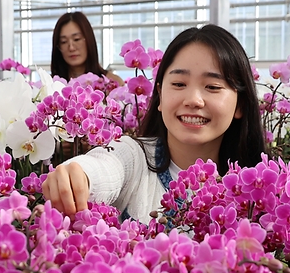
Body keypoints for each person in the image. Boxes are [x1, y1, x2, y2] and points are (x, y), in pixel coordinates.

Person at [42, 24, 266, 222]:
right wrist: (79, 176)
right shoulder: (135, 157)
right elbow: (106, 168)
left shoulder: (256, 191)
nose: (193, 100)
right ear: (159, 95)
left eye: (213, 87)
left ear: (240, 105)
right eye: (179, 84)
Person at [51, 11, 124, 85]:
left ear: (89, 40)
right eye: (63, 42)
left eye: (77, 39)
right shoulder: (49, 85)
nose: (71, 48)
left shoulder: (112, 83)